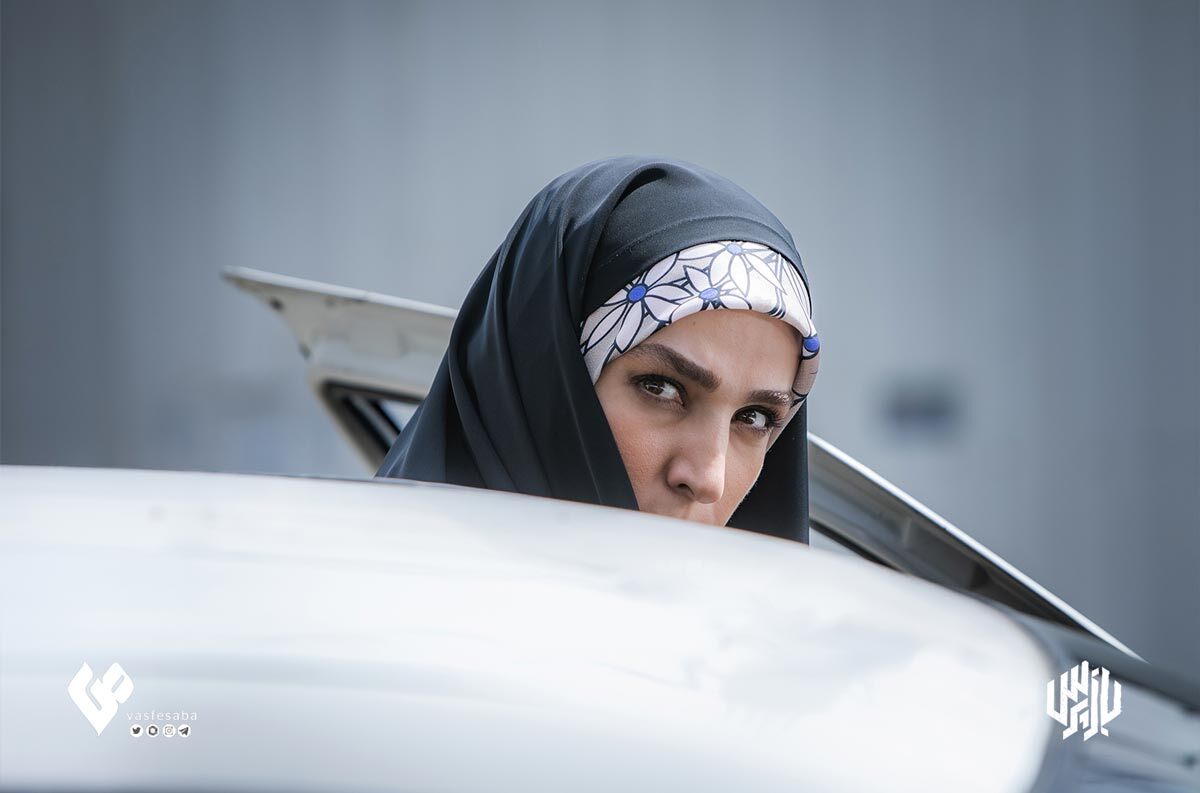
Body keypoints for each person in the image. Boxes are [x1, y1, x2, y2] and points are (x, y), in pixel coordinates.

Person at [376, 156, 820, 542]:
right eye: (661, 388)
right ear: (539, 383)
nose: (708, 480)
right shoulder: (387, 598)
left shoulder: (750, 619)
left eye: (755, 418)